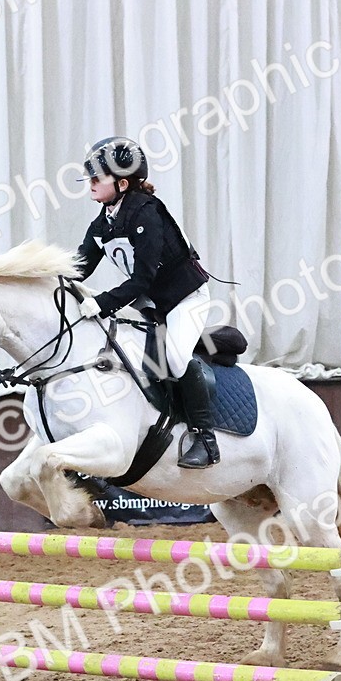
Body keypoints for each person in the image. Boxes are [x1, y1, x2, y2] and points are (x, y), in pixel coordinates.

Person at [74, 136, 220, 469]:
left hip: (184, 299)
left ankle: (206, 438)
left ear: (123, 183)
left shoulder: (147, 213)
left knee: (176, 359)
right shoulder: (103, 222)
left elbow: (143, 280)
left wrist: (102, 302)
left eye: (98, 177)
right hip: (151, 304)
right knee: (134, 359)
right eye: (90, 177)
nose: (91, 184)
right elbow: (79, 268)